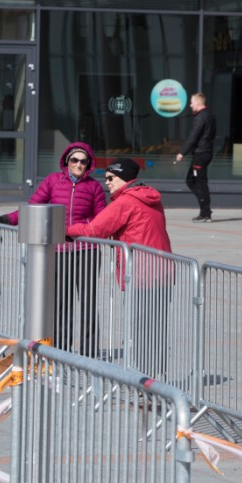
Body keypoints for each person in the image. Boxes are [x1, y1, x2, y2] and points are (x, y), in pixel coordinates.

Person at [0, 142, 106, 356]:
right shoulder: (53, 181)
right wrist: (6, 219)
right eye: (74, 160)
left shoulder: (94, 187)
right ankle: (61, 349)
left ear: (89, 164)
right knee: (62, 302)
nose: (78, 164)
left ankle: (90, 353)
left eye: (83, 161)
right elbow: (33, 208)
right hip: (60, 251)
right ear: (66, 161)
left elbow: (103, 219)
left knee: (88, 302)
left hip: (86, 250)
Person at [66, 158, 173, 376]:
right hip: (161, 271)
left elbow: (96, 229)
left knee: (142, 330)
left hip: (142, 273)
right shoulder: (149, 196)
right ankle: (154, 377)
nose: (107, 182)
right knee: (155, 329)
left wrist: (66, 229)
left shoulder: (126, 202)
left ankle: (145, 381)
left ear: (123, 178)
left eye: (110, 178)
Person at [175, 92, 217, 223]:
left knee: (200, 183)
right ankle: (205, 210)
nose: (190, 105)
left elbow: (193, 137)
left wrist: (182, 153)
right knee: (191, 180)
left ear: (198, 103)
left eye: (192, 102)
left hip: (201, 154)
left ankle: (205, 213)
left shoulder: (200, 118)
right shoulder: (210, 116)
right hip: (205, 153)